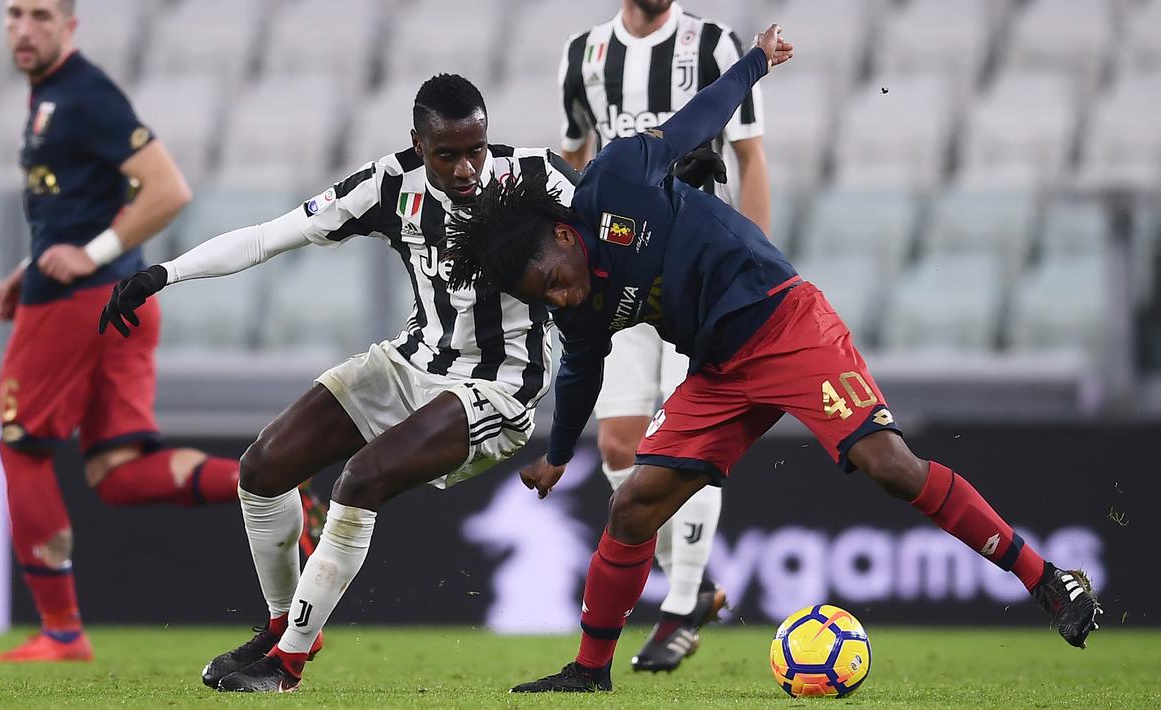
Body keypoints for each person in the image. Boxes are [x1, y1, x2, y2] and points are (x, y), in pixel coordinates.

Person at [444, 26, 1103, 693]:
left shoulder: (615, 180)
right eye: (544, 299)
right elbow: (579, 372)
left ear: (564, 234)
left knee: (889, 466)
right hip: (719, 367)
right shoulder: (577, 307)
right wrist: (559, 454)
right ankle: (589, 673)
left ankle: (1046, 580)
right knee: (633, 506)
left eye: (554, 280)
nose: (560, 297)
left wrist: (755, 61)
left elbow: (695, 120)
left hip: (785, 323)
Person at [100, 74, 606, 693]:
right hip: (410, 362)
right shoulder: (389, 185)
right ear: (417, 144)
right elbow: (266, 238)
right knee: (261, 468)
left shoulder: (534, 176)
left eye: (475, 148)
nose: (466, 168)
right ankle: (283, 625)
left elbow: (613, 226)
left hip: (499, 386)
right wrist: (164, 274)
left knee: (360, 479)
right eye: (447, 153)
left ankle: (286, 664)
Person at [0, 0, 311, 663]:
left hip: (73, 304)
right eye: (14, 14)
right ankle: (276, 487)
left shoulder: (83, 93)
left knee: (23, 449)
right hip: (112, 304)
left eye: (41, 15)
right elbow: (78, 204)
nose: (24, 28)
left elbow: (167, 188)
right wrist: (30, 265)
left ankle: (61, 630)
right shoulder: (54, 97)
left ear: (69, 26)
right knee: (118, 472)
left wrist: (91, 255)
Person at [558, 0, 772, 671]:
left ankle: (679, 607)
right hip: (619, 275)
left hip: (699, 276)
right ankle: (697, 584)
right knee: (618, 444)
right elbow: (573, 158)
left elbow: (749, 157)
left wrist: (755, 264)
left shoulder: (712, 44)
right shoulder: (583, 54)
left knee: (690, 444)